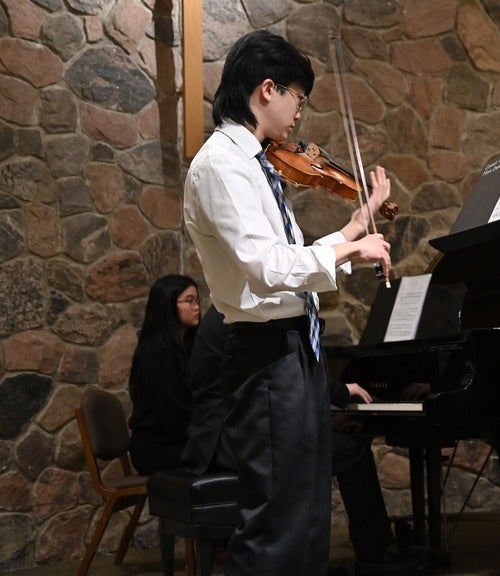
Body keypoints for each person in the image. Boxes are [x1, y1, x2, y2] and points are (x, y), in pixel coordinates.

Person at [182, 29, 393, 575]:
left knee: (306, 517)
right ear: (267, 90)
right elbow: (267, 268)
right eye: (298, 97)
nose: (300, 113)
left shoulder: (255, 163)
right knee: (275, 524)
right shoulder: (222, 166)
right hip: (265, 356)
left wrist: (352, 229)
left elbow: (287, 260)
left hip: (293, 352)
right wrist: (351, 246)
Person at [183, 306, 418, 575]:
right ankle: (373, 556)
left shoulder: (230, 306)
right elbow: (279, 367)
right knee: (352, 450)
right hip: (227, 440)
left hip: (231, 428)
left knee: (335, 446)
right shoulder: (249, 312)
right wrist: (340, 391)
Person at [127, 274, 201, 475]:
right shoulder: (156, 351)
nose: (196, 307)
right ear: (167, 304)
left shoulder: (187, 347)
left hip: (179, 440)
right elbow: (171, 412)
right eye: (188, 301)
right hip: (158, 447)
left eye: (197, 300)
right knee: (226, 455)